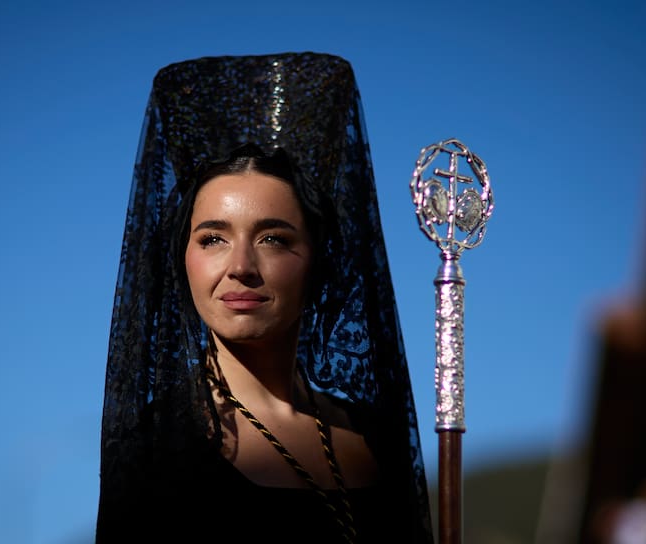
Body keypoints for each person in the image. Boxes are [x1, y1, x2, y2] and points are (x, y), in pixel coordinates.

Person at [98, 52, 433, 543]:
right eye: (212, 239)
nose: (240, 267)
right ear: (182, 259)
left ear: (320, 261)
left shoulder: (375, 436)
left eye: (273, 238)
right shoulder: (155, 449)